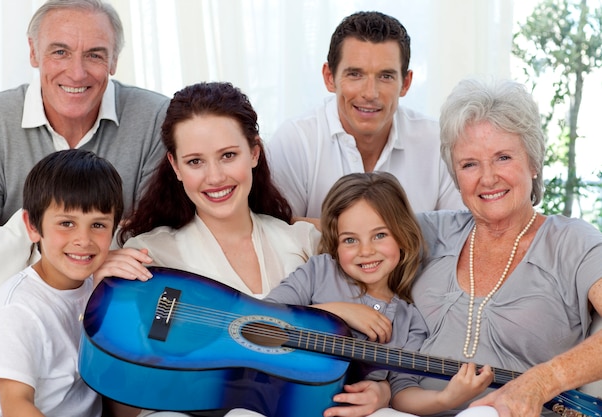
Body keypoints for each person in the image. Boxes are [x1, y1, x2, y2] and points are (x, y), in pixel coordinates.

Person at [102, 82, 404, 417]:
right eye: (195, 161)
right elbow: (126, 391)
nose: (214, 177)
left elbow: (372, 331)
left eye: (228, 155)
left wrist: (382, 389)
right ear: (175, 166)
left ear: (254, 152)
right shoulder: (148, 256)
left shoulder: (304, 242)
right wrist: (96, 280)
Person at [409, 77, 602, 417]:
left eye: (503, 157)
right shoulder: (428, 232)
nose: (487, 178)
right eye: (469, 164)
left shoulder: (574, 242)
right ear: (455, 175)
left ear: (533, 161)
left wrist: (543, 380)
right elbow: (344, 233)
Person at [265, 172, 494, 416]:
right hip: (280, 402)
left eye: (380, 235)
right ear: (336, 243)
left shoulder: (410, 321)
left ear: (402, 236)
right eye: (350, 240)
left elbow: (401, 392)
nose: (366, 251)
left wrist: (446, 398)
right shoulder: (319, 271)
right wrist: (338, 311)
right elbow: (260, 318)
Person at [0, 0, 169, 227]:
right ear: (33, 52)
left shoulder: (156, 118)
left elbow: (153, 235)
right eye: (60, 52)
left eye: (94, 55)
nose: (77, 74)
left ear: (114, 60)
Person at [266, 11, 464, 225]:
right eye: (355, 75)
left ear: (405, 83)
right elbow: (277, 233)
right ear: (329, 78)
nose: (370, 93)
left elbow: (460, 231)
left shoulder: (437, 142)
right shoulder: (296, 141)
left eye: (385, 76)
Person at [0, 149, 127, 416]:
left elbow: (121, 402)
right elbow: (15, 405)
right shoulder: (18, 310)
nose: (83, 239)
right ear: (33, 226)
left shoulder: (100, 290)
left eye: (99, 225)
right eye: (67, 223)